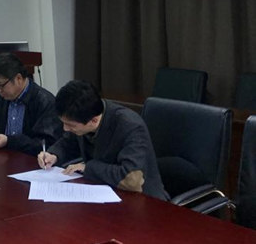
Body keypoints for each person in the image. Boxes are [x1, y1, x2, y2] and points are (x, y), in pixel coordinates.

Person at [38, 80, 168, 200]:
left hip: (144, 200)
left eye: (70, 125)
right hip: (103, 193)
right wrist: (53, 155)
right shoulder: (84, 113)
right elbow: (69, 142)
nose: (65, 128)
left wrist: (87, 168)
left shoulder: (130, 126)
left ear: (93, 120)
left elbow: (131, 179)